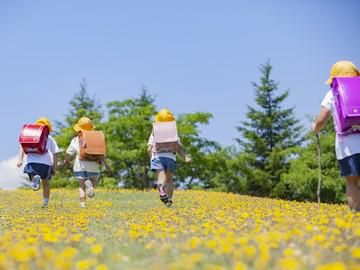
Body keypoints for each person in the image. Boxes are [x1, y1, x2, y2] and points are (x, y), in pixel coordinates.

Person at [312, 60, 360, 212]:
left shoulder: (333, 93)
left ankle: (356, 217)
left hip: (348, 147)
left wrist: (314, 129)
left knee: (352, 183)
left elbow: (321, 120)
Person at [147, 109, 191, 206]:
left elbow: (149, 148)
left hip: (157, 156)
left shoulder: (154, 132)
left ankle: (161, 188)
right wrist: (185, 157)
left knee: (161, 177)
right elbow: (179, 147)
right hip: (170, 158)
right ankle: (169, 200)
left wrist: (152, 159)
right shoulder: (173, 133)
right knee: (170, 180)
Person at [64, 117, 110, 208]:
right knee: (94, 182)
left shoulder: (76, 139)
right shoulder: (96, 139)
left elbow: (69, 153)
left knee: (81, 186)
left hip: (80, 166)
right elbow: (101, 154)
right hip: (94, 166)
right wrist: (106, 165)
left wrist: (67, 160)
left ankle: (82, 204)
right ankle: (91, 184)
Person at [17, 117, 60, 208]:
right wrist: (54, 167)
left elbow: (22, 147)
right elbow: (56, 153)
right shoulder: (50, 138)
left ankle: (34, 180)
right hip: (45, 164)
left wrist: (20, 160)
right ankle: (45, 203)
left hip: (32, 162)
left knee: (33, 176)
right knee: (46, 183)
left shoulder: (29, 136)